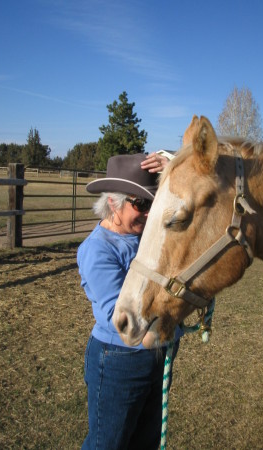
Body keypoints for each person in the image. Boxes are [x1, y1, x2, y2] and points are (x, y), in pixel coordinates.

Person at [77, 152, 182, 450]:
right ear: (113, 203)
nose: (149, 213)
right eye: (141, 204)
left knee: (145, 441)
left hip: (157, 354)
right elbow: (119, 315)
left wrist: (172, 168)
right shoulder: (98, 250)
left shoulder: (148, 236)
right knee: (108, 444)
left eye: (152, 202)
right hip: (119, 358)